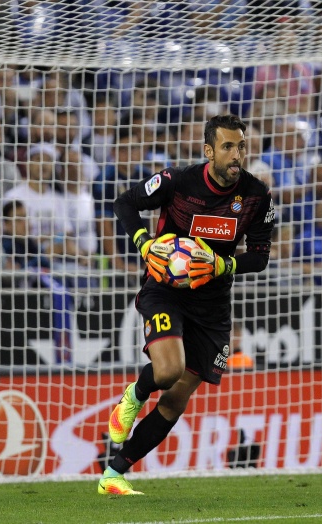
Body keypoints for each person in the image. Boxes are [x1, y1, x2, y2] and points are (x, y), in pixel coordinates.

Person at [97, 114, 274, 495]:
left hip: (212, 306)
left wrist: (224, 264)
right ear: (209, 150)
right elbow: (124, 203)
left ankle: (114, 473)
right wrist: (145, 243)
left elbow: (260, 256)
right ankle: (133, 396)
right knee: (167, 372)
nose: (237, 155)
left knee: (176, 399)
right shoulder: (177, 182)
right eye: (228, 147)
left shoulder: (257, 195)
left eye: (241, 146)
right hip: (166, 289)